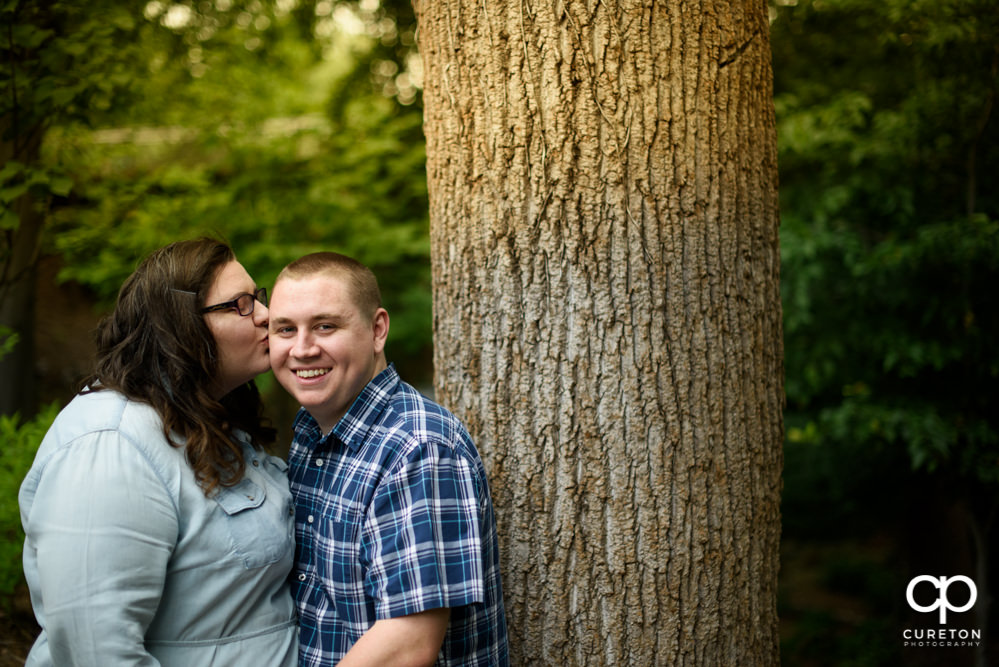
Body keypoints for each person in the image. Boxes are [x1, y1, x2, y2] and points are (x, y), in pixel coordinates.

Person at [18, 238, 299, 666]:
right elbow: (97, 650)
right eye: (241, 304)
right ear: (180, 327)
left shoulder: (207, 423)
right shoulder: (110, 443)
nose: (266, 314)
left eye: (257, 297)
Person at [267, 252, 509, 666]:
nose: (302, 349)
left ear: (377, 330)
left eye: (325, 326)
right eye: (285, 329)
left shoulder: (418, 449)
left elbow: (408, 646)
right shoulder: (310, 432)